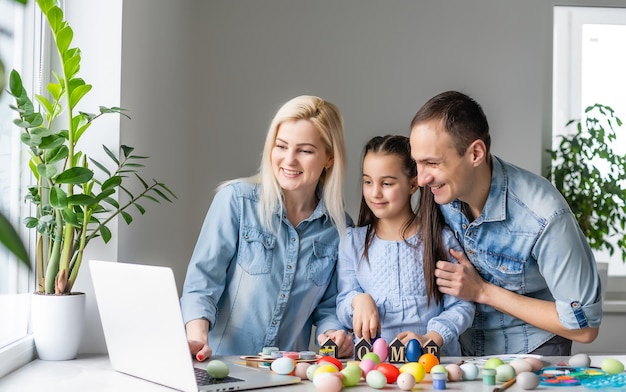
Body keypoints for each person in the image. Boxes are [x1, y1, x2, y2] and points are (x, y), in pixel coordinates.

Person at [409, 90, 603, 356]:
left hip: (534, 353)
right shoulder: (441, 197)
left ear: (475, 153)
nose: (421, 179)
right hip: (461, 353)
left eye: (432, 163)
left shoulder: (544, 215)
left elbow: (584, 327)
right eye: (417, 163)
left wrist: (483, 292)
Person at [180, 95, 354, 361]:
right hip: (224, 368)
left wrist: (335, 335)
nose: (289, 160)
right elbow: (202, 283)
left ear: (329, 157)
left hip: (287, 376)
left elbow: (330, 306)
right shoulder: (236, 201)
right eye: (281, 146)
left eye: (305, 151)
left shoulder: (338, 228)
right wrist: (197, 337)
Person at [335, 135, 475, 356]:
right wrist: (357, 300)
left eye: (387, 183)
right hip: (374, 371)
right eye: (368, 181)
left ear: (412, 184)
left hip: (432, 367)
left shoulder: (440, 240)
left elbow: (462, 306)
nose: (375, 193)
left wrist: (432, 337)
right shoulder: (352, 242)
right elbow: (343, 304)